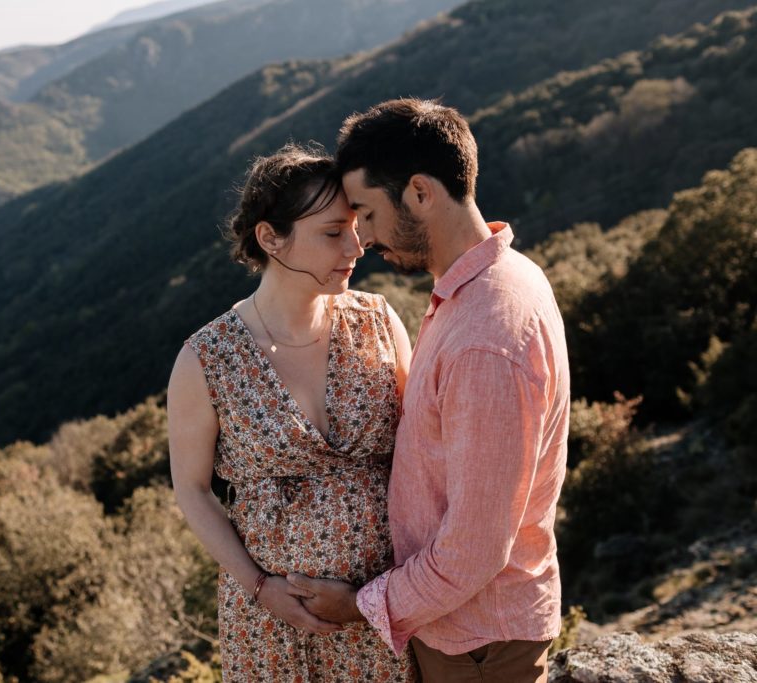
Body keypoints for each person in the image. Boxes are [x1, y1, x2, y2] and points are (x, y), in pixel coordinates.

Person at [285, 99, 571, 682]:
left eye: (365, 211)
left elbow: (474, 551)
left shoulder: (485, 336)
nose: (361, 237)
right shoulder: (496, 281)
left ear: (419, 192)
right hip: (471, 632)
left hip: (479, 642)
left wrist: (362, 606)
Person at [168, 143, 418, 682]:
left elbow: (422, 446)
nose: (356, 245)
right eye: (332, 233)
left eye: (355, 227)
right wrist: (260, 589)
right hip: (275, 623)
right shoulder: (207, 357)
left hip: (380, 604)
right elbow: (191, 488)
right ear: (270, 237)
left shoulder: (377, 321)